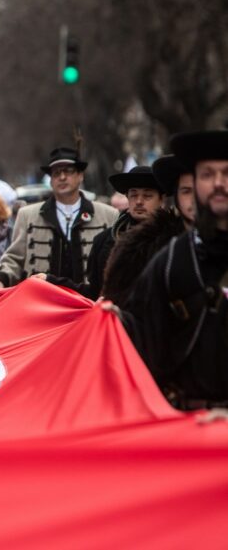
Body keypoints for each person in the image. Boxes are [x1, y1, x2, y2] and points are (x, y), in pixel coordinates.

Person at [116, 131, 228, 410]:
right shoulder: (170, 261)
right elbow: (146, 338)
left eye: (227, 174)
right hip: (188, 426)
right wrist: (116, 320)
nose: (218, 184)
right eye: (206, 175)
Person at [0, 147, 117, 296]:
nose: (62, 177)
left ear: (80, 176)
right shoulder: (27, 215)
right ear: (51, 180)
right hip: (41, 304)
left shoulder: (108, 215)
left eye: (68, 171)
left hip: (89, 305)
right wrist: (0, 279)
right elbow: (14, 258)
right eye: (56, 173)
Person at [83, 166, 165, 299]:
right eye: (133, 195)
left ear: (161, 199)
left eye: (147, 196)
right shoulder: (104, 241)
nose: (139, 201)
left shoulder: (174, 239)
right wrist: (52, 281)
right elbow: (94, 292)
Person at [152, 154, 195, 228]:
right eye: (186, 192)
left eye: (201, 191)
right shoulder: (160, 238)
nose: (195, 199)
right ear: (176, 197)